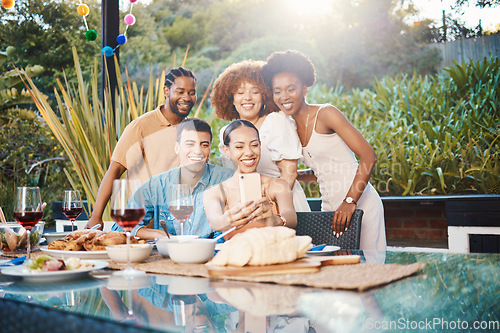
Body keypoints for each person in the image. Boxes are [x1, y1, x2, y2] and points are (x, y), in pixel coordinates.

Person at [262, 50, 386, 251]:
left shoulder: (326, 113)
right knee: (337, 270)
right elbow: (324, 169)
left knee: (368, 268)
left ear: (304, 88)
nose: (283, 96)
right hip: (329, 207)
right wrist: (290, 177)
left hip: (359, 203)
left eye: (290, 89)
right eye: (277, 91)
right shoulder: (289, 127)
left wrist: (349, 201)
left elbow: (368, 156)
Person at [87, 67, 197, 229]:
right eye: (180, 92)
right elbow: (115, 170)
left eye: (191, 92)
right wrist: (96, 217)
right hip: (143, 226)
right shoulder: (140, 126)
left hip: (181, 226)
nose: (186, 98)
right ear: (166, 91)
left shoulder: (193, 128)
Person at [210, 60, 310, 213]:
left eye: (255, 92)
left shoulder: (275, 121)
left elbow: (289, 174)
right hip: (246, 207)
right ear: (230, 97)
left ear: (265, 96)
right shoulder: (226, 131)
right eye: (240, 92)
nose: (247, 98)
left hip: (283, 206)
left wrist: (271, 208)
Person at [114, 118, 233, 240]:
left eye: (204, 145)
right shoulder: (157, 185)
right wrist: (157, 234)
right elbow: (120, 226)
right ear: (177, 148)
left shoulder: (227, 178)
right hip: (168, 255)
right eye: (190, 144)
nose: (198, 151)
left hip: (213, 254)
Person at [203, 120, 297, 239]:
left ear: (260, 145)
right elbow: (215, 222)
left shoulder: (278, 185)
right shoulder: (214, 192)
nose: (249, 152)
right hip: (236, 255)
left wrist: (274, 220)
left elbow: (291, 218)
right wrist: (226, 221)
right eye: (239, 147)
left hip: (274, 253)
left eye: (254, 145)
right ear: (226, 150)